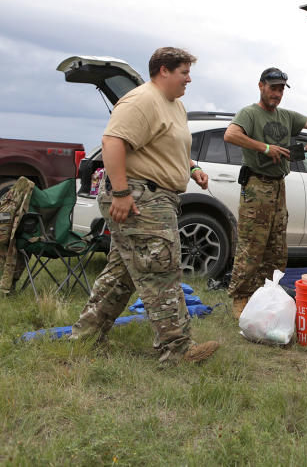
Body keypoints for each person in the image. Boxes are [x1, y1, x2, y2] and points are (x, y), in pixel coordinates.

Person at [69, 47, 219, 364]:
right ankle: (177, 351)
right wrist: (122, 193)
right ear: (163, 70)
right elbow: (112, 142)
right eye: (184, 72)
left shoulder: (174, 106)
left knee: (121, 276)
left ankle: (84, 339)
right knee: (161, 272)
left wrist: (192, 169)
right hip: (142, 198)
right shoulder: (142, 100)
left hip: (156, 196)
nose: (189, 79)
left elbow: (166, 149)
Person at [225, 67, 307, 318]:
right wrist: (265, 147)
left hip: (279, 186)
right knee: (252, 246)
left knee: (276, 248)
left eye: (281, 89)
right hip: (257, 186)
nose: (277, 94)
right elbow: (231, 134)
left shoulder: (286, 116)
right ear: (261, 86)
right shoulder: (250, 113)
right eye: (273, 88)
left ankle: (267, 295)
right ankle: (241, 297)